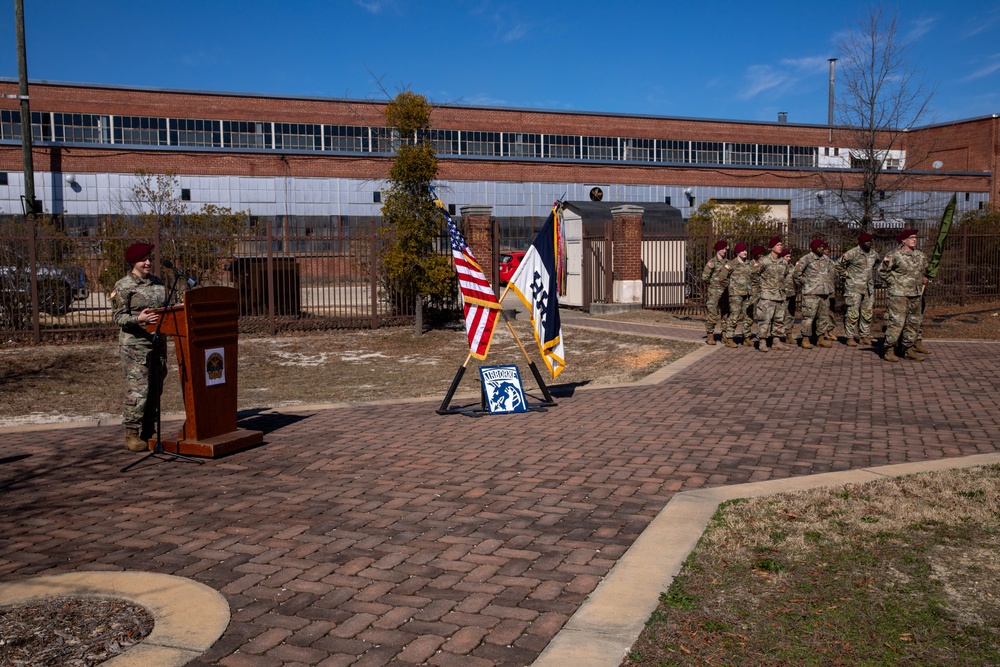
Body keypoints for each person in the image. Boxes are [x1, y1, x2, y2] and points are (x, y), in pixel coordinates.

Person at [111, 242, 167, 451]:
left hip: (157, 344)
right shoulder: (123, 286)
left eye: (149, 258)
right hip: (135, 346)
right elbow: (118, 317)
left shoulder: (158, 283)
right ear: (133, 262)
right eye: (143, 259)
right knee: (138, 389)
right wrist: (138, 319)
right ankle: (132, 433)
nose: (148, 262)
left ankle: (148, 429)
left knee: (155, 387)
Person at [878, 229, 929, 362]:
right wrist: (893, 283)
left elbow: (924, 270)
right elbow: (882, 271)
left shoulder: (920, 255)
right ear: (903, 240)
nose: (914, 240)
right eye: (911, 237)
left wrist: (924, 278)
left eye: (915, 237)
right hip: (899, 295)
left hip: (916, 294)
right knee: (897, 322)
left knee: (913, 323)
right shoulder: (894, 255)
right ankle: (890, 349)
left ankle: (908, 349)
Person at [836, 232, 879, 347]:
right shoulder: (852, 253)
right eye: (867, 241)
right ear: (860, 243)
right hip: (854, 288)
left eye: (870, 241)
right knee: (852, 313)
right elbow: (838, 265)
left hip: (868, 288)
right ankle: (849, 337)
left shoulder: (873, 254)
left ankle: (864, 335)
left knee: (867, 313)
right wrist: (847, 275)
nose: (869, 243)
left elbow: (878, 264)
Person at [792, 238, 836, 349]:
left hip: (824, 292)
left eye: (823, 247)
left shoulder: (826, 259)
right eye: (820, 247)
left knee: (823, 317)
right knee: (808, 317)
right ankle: (805, 339)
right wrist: (806, 283)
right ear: (814, 248)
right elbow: (796, 274)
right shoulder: (806, 259)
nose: (822, 249)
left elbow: (831, 272)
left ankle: (820, 338)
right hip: (811, 293)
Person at [753, 236, 791, 352]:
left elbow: (786, 275)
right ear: (772, 247)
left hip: (779, 295)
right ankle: (762, 342)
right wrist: (761, 288)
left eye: (781, 245)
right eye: (778, 245)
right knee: (765, 319)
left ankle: (776, 342)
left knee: (779, 320)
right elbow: (754, 275)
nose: (780, 247)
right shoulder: (764, 261)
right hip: (767, 296)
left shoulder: (783, 262)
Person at [723, 242, 753, 348]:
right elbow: (722, 278)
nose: (745, 252)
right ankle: (729, 338)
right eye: (742, 251)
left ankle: (747, 337)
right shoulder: (731, 264)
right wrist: (731, 287)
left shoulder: (749, 264)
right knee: (734, 315)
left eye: (745, 250)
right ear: (737, 252)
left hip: (747, 294)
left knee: (748, 316)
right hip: (735, 294)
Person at [701, 240, 730, 345]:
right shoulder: (712, 262)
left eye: (725, 249)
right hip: (714, 292)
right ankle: (710, 335)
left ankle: (724, 335)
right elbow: (704, 277)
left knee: (725, 314)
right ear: (718, 250)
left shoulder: (727, 262)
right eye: (723, 249)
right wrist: (712, 284)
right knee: (712, 314)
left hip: (725, 292)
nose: (724, 251)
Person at [780, 248, 797, 342]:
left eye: (790, 256)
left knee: (790, 315)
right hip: (781, 294)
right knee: (779, 315)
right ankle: (775, 335)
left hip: (791, 293)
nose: (789, 258)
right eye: (787, 256)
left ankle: (788, 334)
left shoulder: (791, 266)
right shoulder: (779, 266)